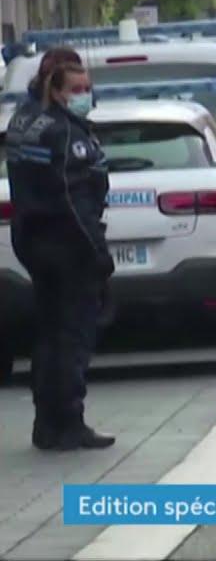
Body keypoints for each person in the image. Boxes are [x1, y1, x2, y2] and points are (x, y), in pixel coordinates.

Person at [4, 47, 115, 451]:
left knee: (50, 334)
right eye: (78, 88)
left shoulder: (24, 119)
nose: (85, 95)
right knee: (72, 335)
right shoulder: (64, 132)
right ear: (58, 87)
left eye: (88, 87)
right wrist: (96, 251)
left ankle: (47, 421)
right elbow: (73, 198)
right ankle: (67, 420)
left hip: (33, 239)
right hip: (67, 246)